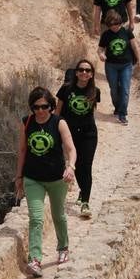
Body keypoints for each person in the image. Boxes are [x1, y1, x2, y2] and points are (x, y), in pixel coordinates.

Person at [15, 87, 77, 277]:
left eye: (44, 106)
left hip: (57, 179)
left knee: (58, 215)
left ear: (51, 106)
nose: (40, 111)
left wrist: (71, 167)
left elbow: (71, 149)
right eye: (36, 107)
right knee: (36, 218)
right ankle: (35, 259)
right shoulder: (27, 123)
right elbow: (23, 151)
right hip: (33, 179)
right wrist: (19, 177)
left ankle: (63, 247)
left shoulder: (59, 123)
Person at [55, 59, 99, 219]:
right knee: (77, 165)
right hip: (70, 134)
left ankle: (85, 202)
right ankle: (83, 190)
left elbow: (91, 113)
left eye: (88, 70)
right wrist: (55, 130)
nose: (84, 73)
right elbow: (58, 112)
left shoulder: (95, 91)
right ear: (76, 72)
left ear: (92, 74)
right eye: (81, 70)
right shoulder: (66, 90)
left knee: (85, 165)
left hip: (89, 134)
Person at [98, 10, 140, 126]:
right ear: (108, 25)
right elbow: (100, 49)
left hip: (126, 65)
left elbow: (134, 47)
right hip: (111, 65)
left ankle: (122, 114)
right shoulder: (106, 35)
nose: (114, 27)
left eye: (117, 24)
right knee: (114, 88)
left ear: (120, 22)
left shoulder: (127, 32)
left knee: (125, 89)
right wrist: (101, 55)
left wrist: (139, 61)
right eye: (111, 25)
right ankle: (117, 107)